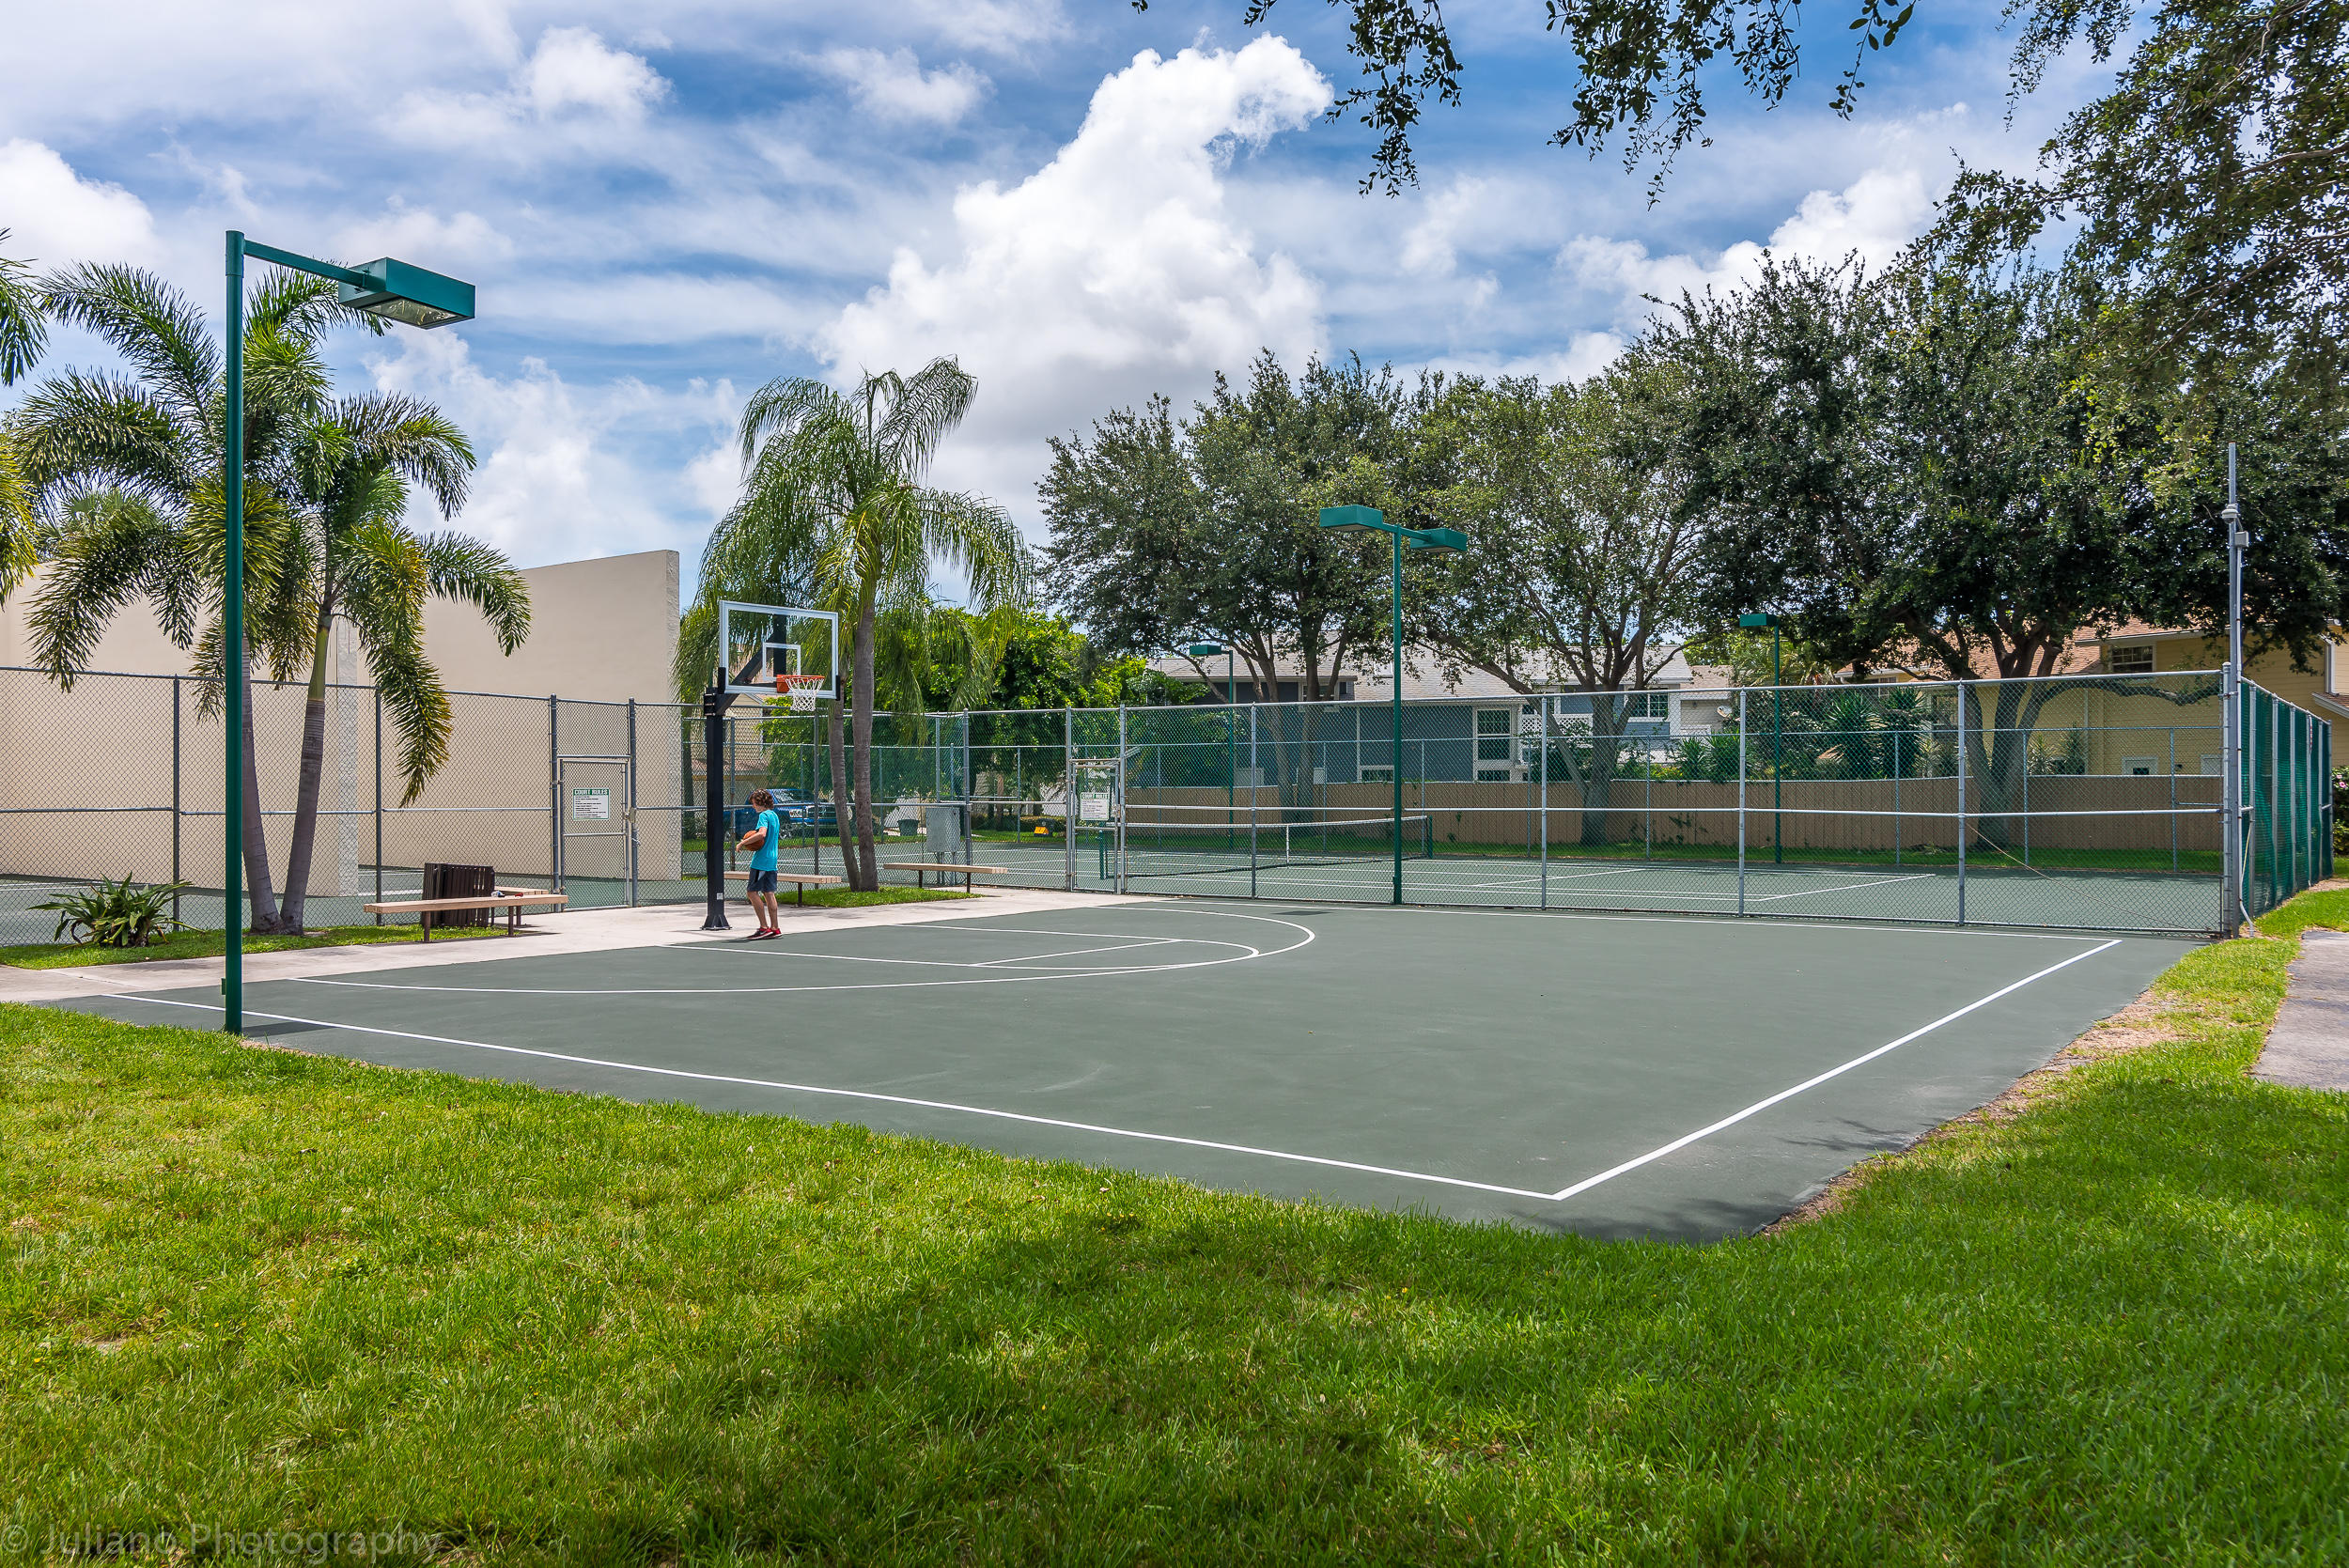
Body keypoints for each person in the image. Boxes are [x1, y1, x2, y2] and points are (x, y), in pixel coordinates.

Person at [735, 788, 784, 939]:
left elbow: (761, 834)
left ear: (760, 803)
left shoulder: (763, 815)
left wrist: (743, 843)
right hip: (772, 860)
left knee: (752, 892)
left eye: (754, 803)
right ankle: (775, 928)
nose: (753, 806)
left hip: (761, 862)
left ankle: (764, 927)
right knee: (769, 893)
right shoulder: (774, 815)